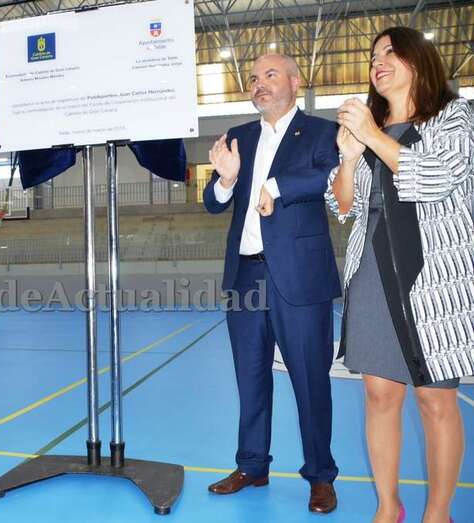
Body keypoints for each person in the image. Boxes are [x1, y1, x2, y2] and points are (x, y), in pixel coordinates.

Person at [328, 26, 473, 523]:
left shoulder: (454, 117)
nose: (377, 61)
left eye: (389, 52)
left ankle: (438, 512)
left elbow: (434, 178)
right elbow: (343, 206)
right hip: (371, 273)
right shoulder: (373, 128)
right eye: (372, 56)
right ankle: (388, 507)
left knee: (436, 401)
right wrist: (349, 158)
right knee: (378, 394)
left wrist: (370, 135)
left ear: (419, 60)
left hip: (433, 280)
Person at [203, 54, 341, 513]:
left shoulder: (321, 132)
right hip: (246, 276)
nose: (258, 84)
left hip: (300, 278)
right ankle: (252, 465)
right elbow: (213, 201)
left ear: (296, 82)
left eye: (270, 75)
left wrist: (276, 187)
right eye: (253, 78)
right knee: (251, 379)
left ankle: (320, 476)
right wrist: (225, 180)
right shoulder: (239, 137)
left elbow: (331, 175)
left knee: (310, 380)